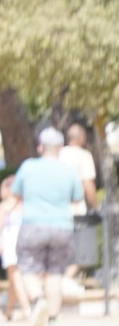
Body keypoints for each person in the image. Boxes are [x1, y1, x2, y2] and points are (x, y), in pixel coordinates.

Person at [14, 127, 96, 326]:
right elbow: (77, 197)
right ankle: (52, 318)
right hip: (62, 225)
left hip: (33, 224)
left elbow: (16, 192)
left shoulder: (28, 167)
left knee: (27, 268)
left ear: (40, 147)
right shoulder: (67, 171)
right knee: (55, 272)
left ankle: (37, 299)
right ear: (60, 148)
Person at [60, 123, 99, 290]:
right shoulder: (83, 156)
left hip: (56, 209)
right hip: (76, 210)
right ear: (81, 138)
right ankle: (65, 279)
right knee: (84, 249)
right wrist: (96, 206)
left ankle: (61, 280)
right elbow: (88, 184)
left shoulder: (57, 155)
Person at [0, 176, 30, 322]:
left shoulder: (3, 207)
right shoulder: (26, 205)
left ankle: (26, 309)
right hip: (26, 239)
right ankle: (9, 309)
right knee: (13, 278)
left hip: (10, 241)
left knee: (15, 276)